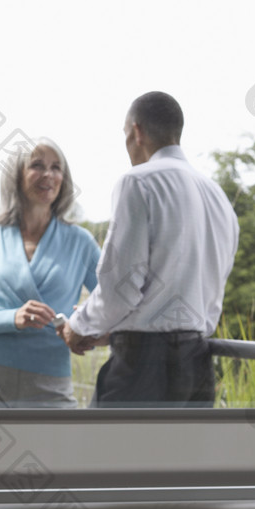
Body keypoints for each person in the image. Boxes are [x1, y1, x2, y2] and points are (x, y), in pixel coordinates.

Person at [61, 91, 239, 406]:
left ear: (137, 131)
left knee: (105, 454)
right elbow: (210, 300)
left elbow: (121, 288)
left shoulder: (137, 182)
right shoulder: (218, 198)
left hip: (142, 367)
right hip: (197, 364)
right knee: (185, 456)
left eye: (126, 135)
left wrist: (79, 325)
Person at [0, 138, 100, 407]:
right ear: (15, 176)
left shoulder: (82, 242)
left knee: (63, 449)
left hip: (50, 379)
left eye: (56, 168)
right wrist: (13, 318)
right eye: (37, 166)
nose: (48, 175)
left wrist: (80, 326)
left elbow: (111, 302)